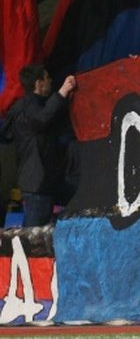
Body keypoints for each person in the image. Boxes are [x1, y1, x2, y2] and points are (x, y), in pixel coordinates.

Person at [7, 65, 78, 226]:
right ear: (38, 83)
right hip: (36, 183)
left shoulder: (37, 105)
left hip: (47, 180)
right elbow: (41, 120)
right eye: (47, 78)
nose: (50, 81)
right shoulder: (26, 107)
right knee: (34, 233)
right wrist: (62, 92)